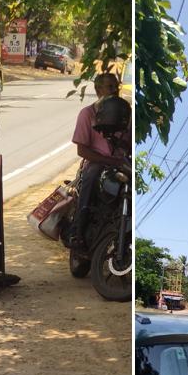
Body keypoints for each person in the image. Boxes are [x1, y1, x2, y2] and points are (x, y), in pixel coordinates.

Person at [68, 73, 131, 247]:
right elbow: (82, 150)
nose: (114, 91)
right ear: (98, 90)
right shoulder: (88, 114)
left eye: (116, 87)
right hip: (96, 163)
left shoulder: (127, 114)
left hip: (121, 163)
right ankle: (77, 230)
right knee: (92, 174)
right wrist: (109, 161)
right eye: (109, 87)